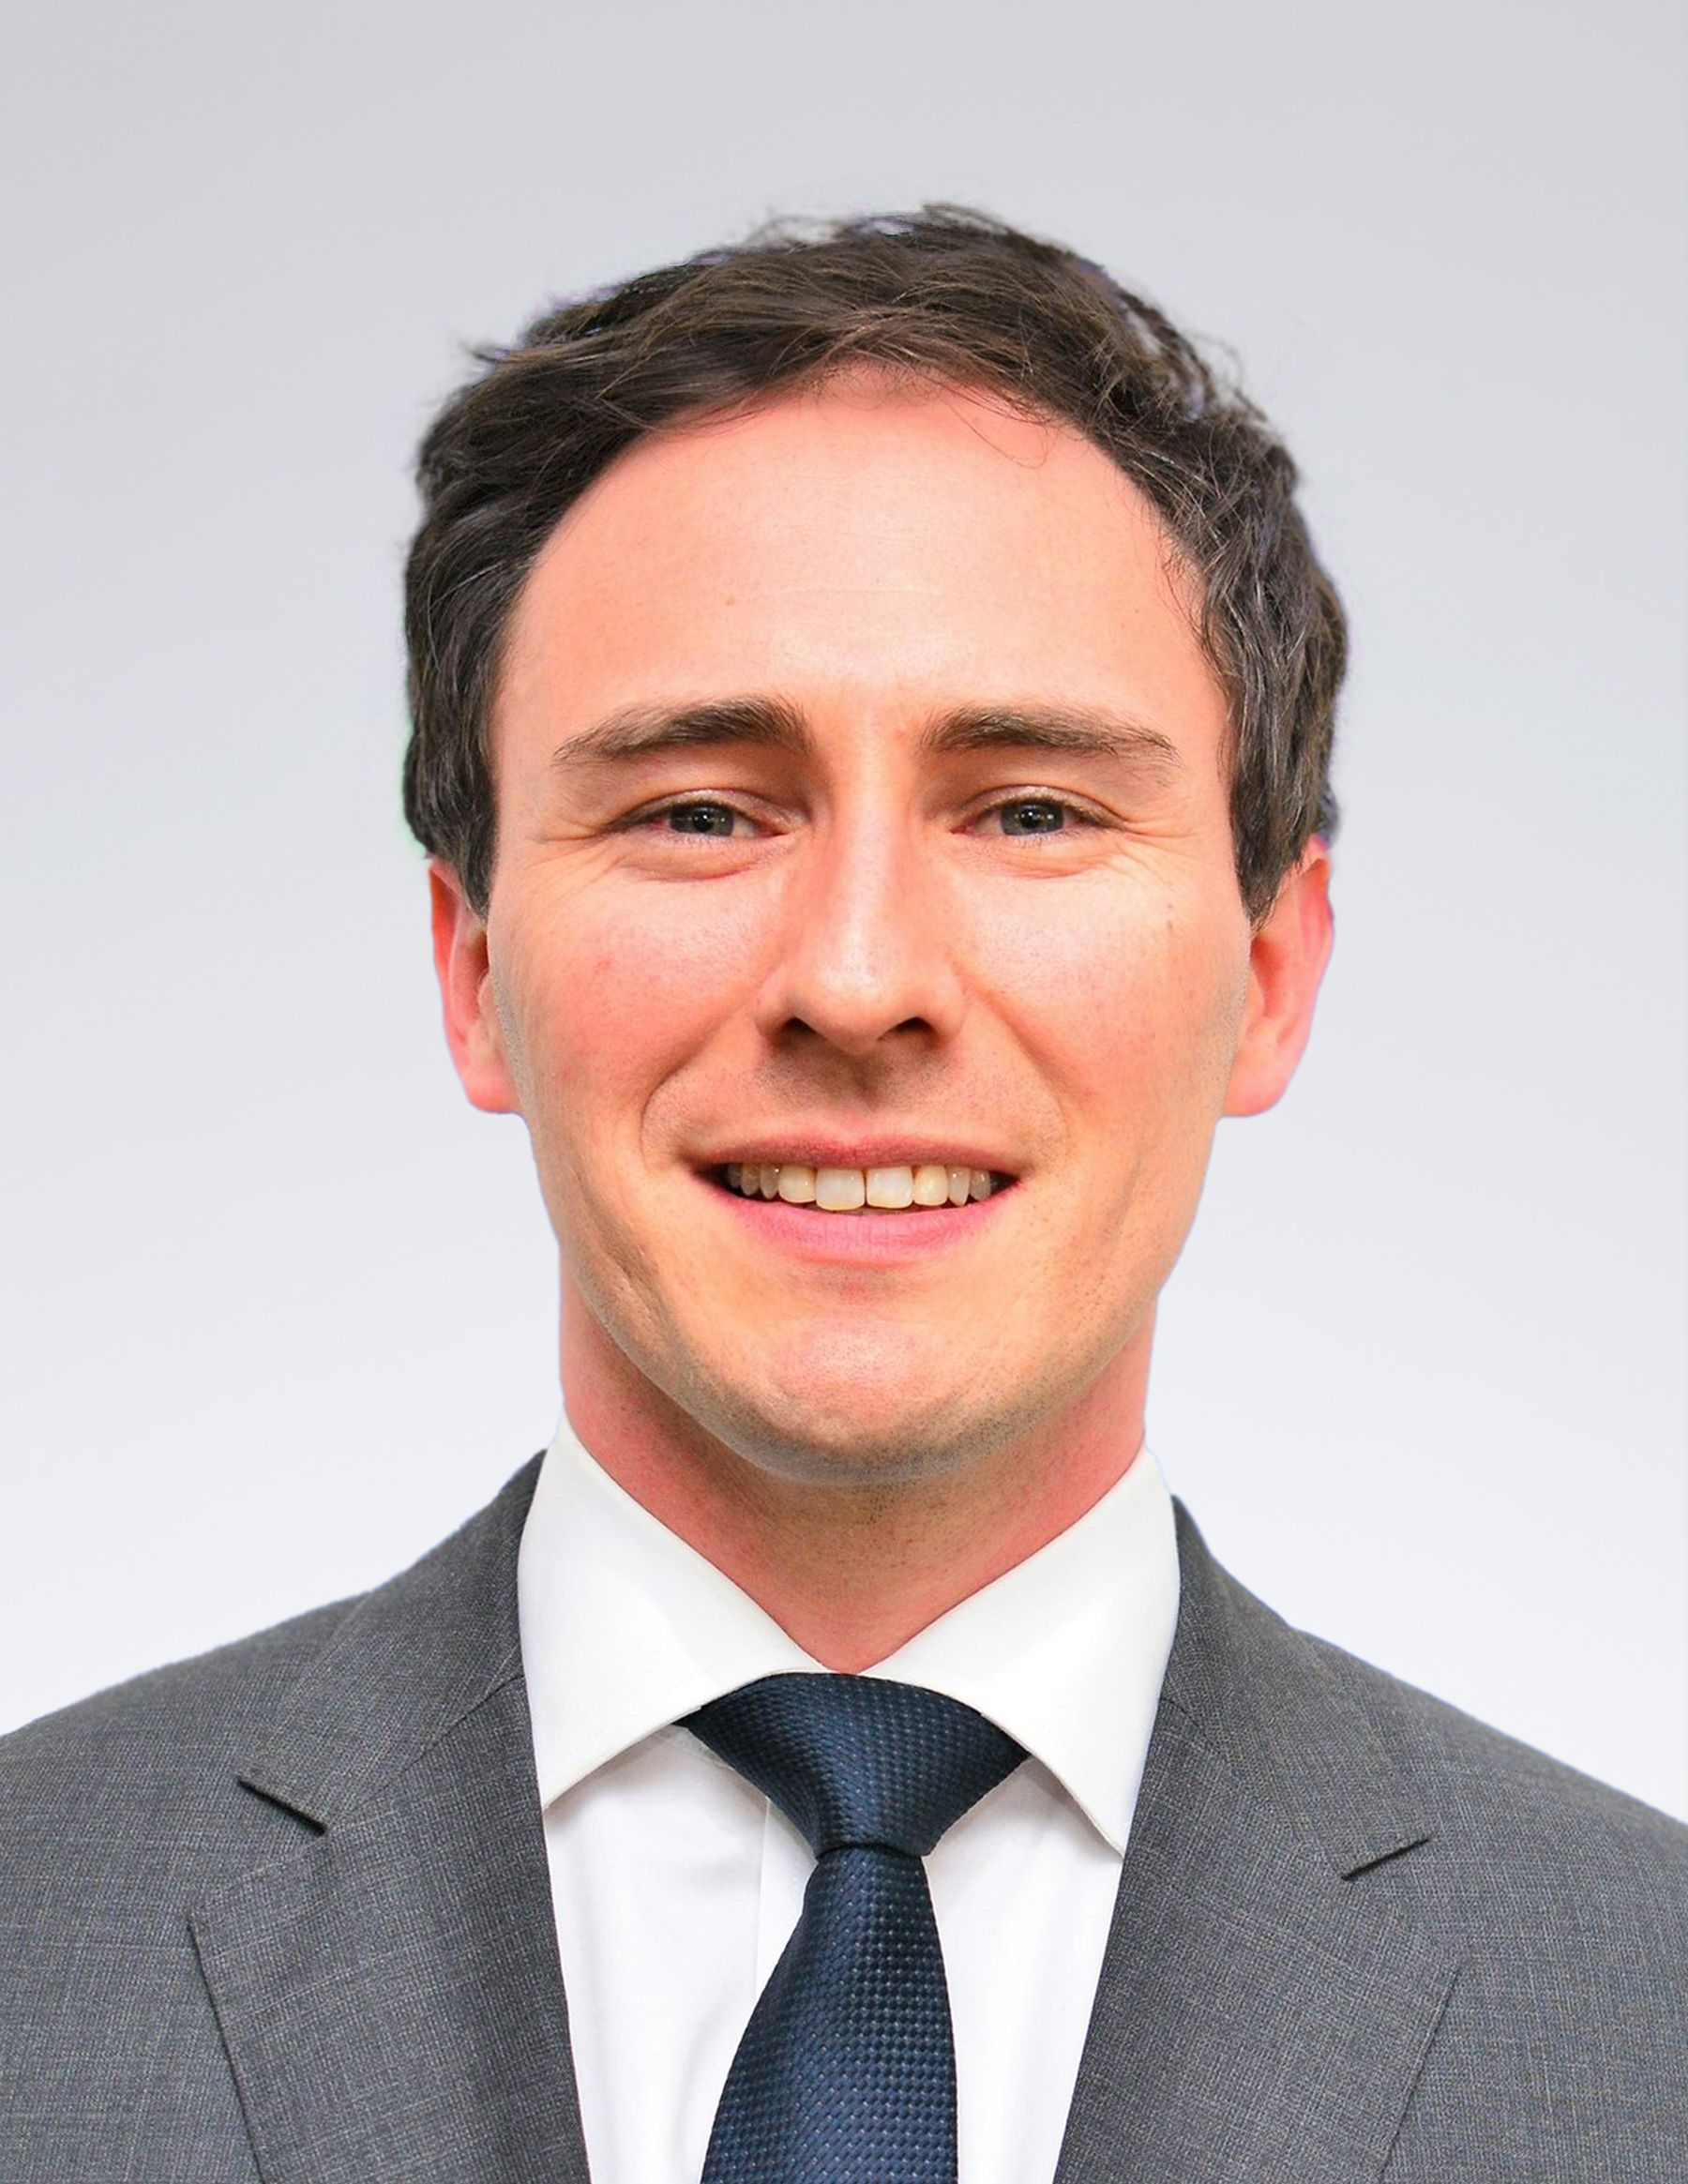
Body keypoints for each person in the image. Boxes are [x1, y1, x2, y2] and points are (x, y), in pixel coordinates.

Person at [1, 207, 1682, 2183]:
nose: (860, 977)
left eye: (1031, 808)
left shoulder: (1639, 2010)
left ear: (1273, 972)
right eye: (701, 808)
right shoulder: (40, 1926)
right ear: (471, 970)